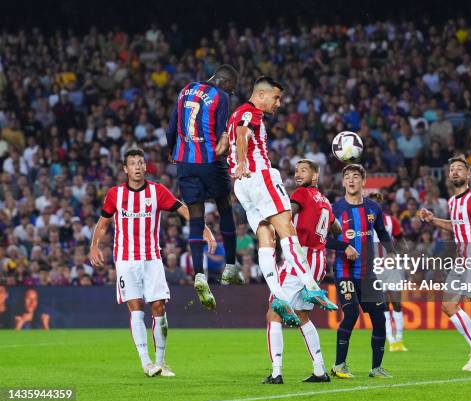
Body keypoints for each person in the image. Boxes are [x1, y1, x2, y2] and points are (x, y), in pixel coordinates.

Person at [89, 148, 215, 377]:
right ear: (125, 169)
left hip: (152, 258)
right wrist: (94, 246)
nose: (137, 167)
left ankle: (161, 361)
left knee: (158, 307)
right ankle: (146, 362)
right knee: (136, 307)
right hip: (126, 259)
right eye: (132, 163)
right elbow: (103, 222)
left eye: (141, 162)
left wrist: (202, 227)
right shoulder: (115, 194)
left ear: (146, 167)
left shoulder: (158, 191)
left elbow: (182, 209)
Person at [227, 76, 337, 327]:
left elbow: (227, 139)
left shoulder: (233, 114)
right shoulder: (250, 111)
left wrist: (233, 161)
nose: (279, 103)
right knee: (287, 230)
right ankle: (310, 286)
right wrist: (243, 161)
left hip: (241, 186)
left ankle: (277, 295)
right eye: (276, 97)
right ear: (261, 95)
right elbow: (244, 131)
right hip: (259, 175)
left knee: (266, 238)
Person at [166, 64, 242, 311]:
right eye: (232, 86)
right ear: (225, 81)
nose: (232, 90)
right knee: (225, 207)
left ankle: (199, 273)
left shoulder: (185, 89)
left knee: (196, 218)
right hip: (209, 160)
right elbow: (221, 135)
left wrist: (171, 150)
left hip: (185, 162)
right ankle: (230, 266)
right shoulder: (221, 96)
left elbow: (171, 128)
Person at [263, 159, 342, 384]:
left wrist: (273, 213)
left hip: (300, 259)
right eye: (297, 170)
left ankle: (276, 372)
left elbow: (289, 211)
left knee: (274, 312)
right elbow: (337, 229)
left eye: (304, 171)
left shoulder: (301, 194)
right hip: (318, 260)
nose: (298, 174)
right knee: (302, 316)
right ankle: (319, 369)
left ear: (315, 175)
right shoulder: (325, 201)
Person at [420, 155, 471, 372]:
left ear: (468, 174)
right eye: (452, 169)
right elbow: (456, 226)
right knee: (448, 305)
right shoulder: (453, 201)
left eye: (459, 169)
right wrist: (433, 220)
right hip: (461, 261)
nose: (455, 172)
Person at [328, 164, 394, 379]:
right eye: (347, 176)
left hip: (367, 274)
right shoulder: (335, 209)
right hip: (344, 271)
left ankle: (376, 368)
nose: (351, 180)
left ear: (363, 181)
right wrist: (343, 247)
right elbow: (324, 239)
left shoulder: (373, 208)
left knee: (379, 319)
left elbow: (383, 234)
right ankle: (339, 365)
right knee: (351, 313)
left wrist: (393, 253)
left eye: (356, 176)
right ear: (343, 182)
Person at [369, 192, 407, 352]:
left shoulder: (391, 221)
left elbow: (401, 242)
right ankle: (391, 340)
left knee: (397, 303)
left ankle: (399, 339)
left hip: (391, 267)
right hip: (374, 269)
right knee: (382, 305)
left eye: (378, 201)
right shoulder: (362, 222)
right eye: (372, 201)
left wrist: (400, 258)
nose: (375, 204)